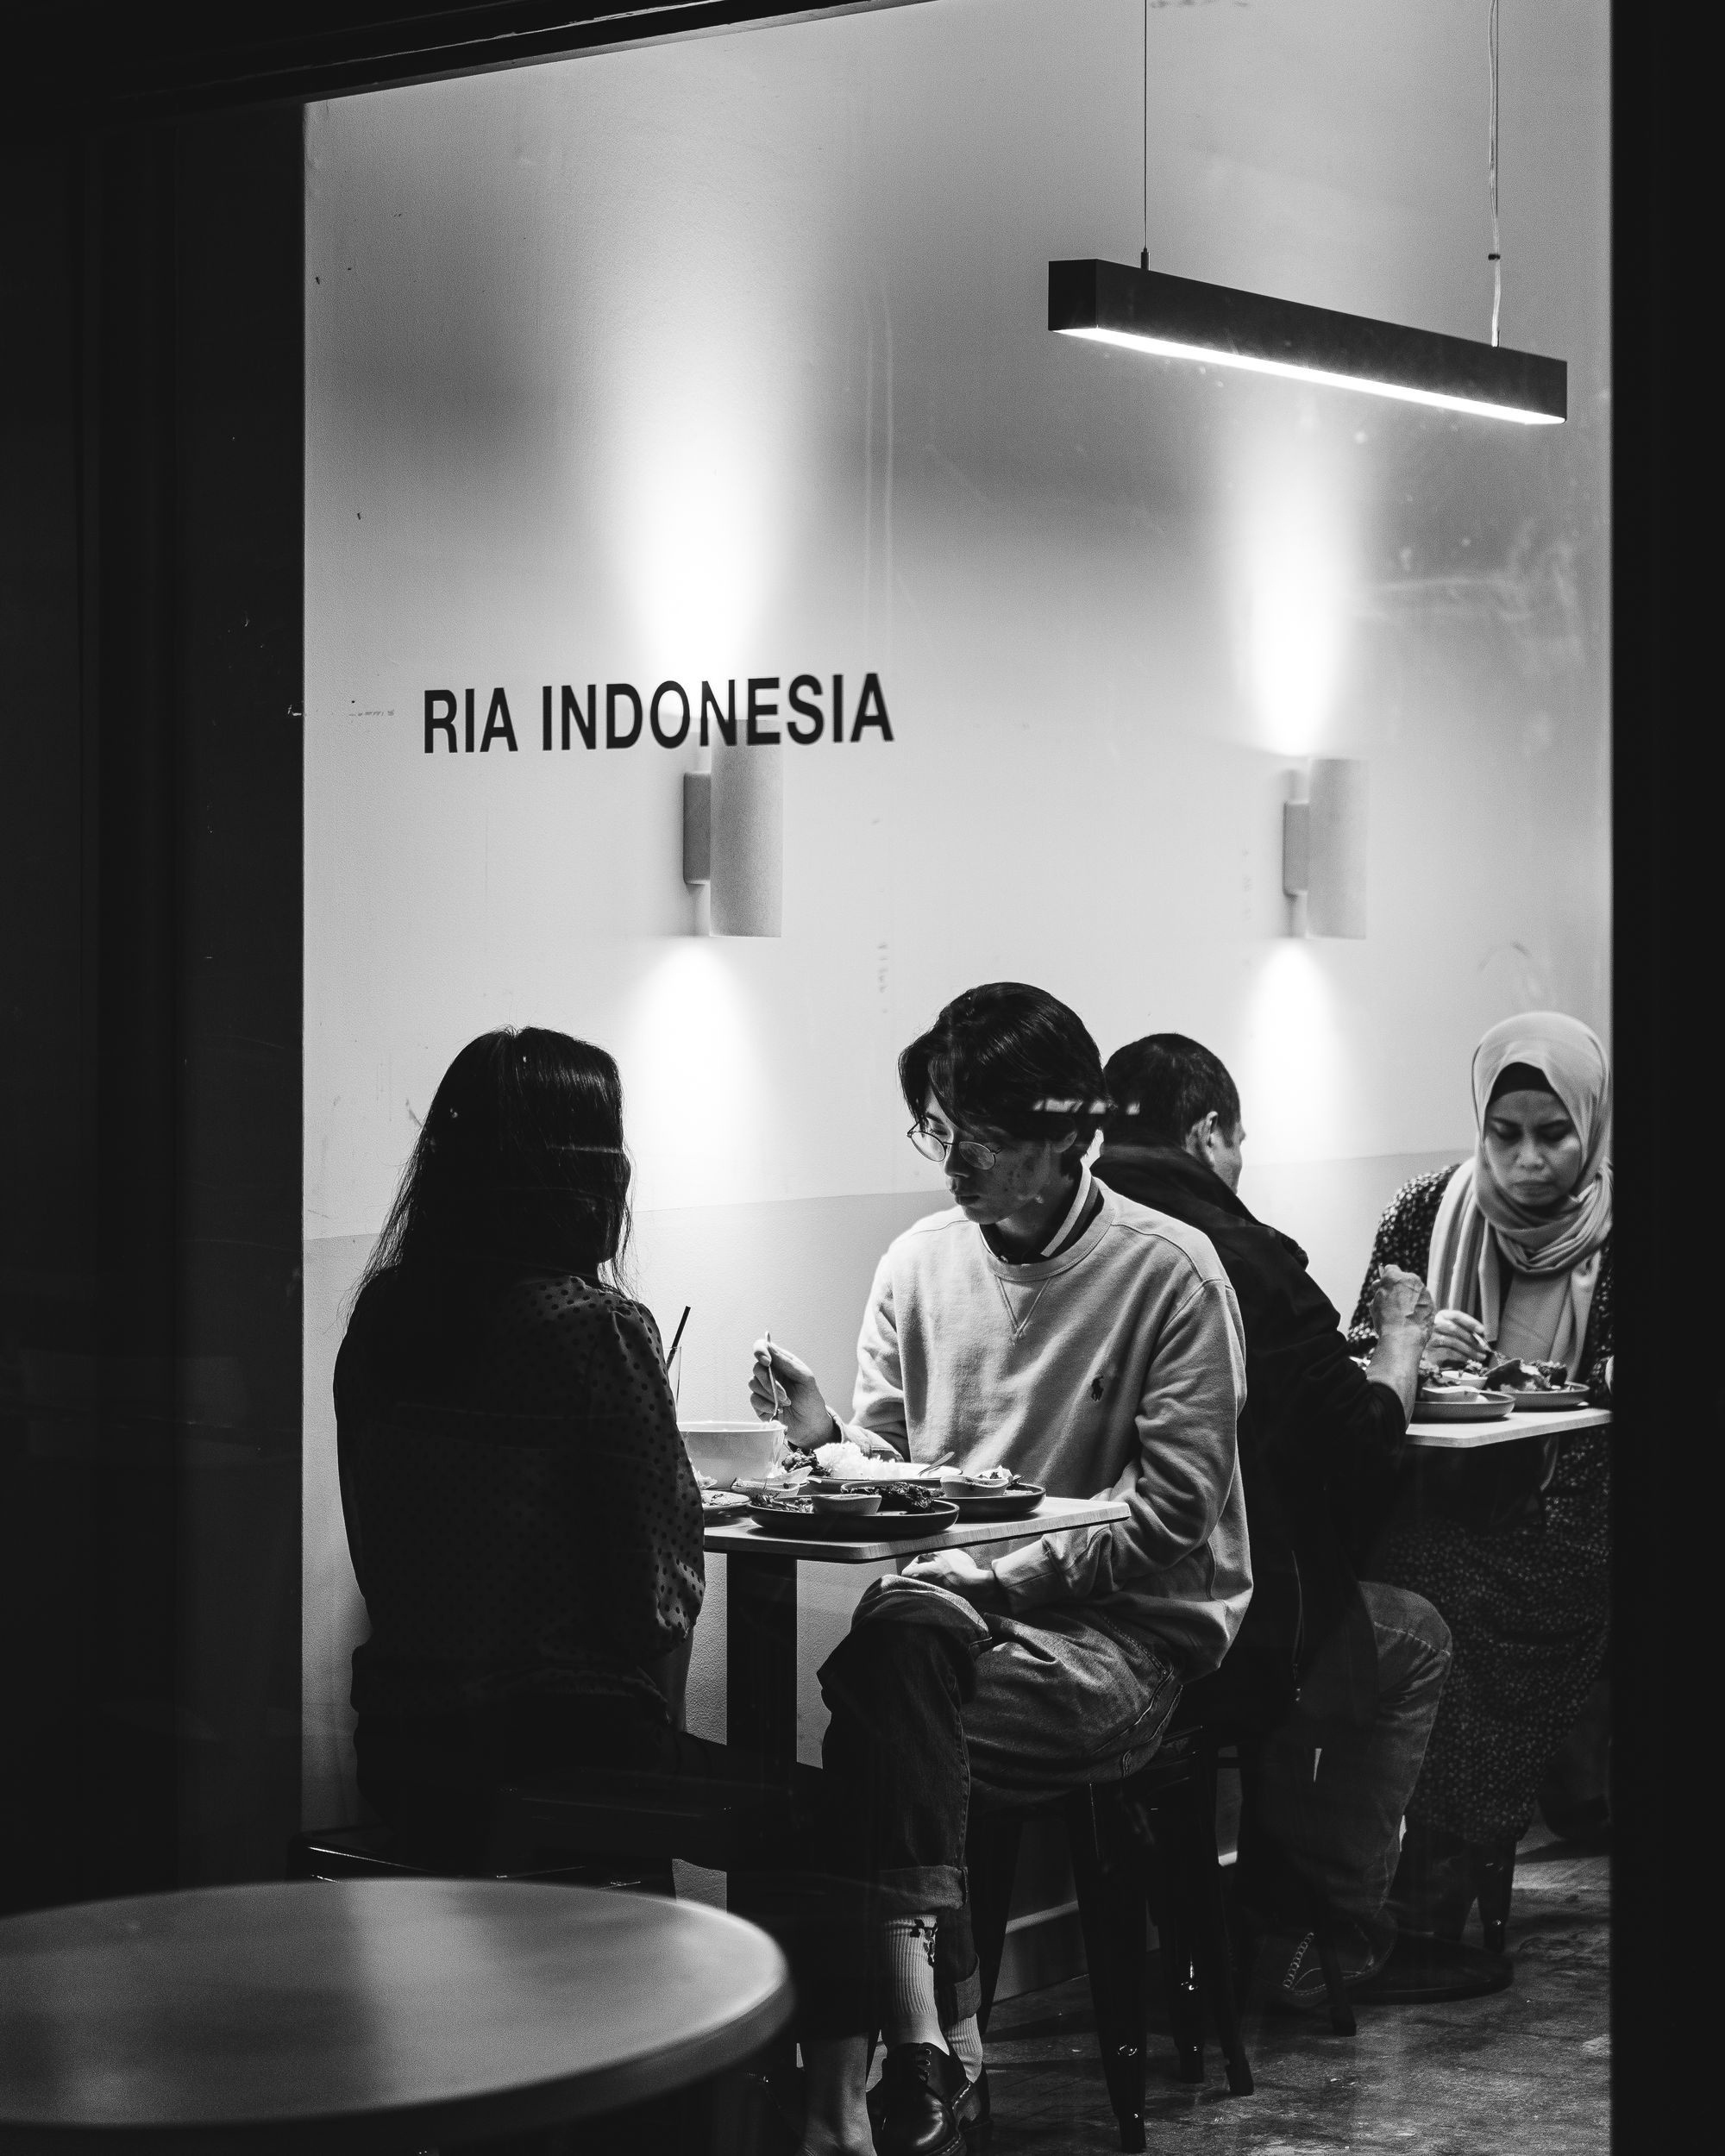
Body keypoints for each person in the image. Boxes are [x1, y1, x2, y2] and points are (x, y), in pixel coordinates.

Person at [750, 985, 1251, 2156]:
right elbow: (904, 1483)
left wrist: (991, 1583)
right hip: (943, 1634)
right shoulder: (919, 1264)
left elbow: (1170, 1519)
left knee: (867, 1710)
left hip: (1124, 1642)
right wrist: (831, 1443)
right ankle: (925, 2050)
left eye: (983, 1137)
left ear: (1070, 1136)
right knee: (890, 1684)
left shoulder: (1170, 1274)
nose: (955, 1163)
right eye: (939, 1129)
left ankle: (909, 2045)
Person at [335, 1026, 862, 2049]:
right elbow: (654, 1598)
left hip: (404, 1747)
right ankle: (816, 2121)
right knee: (841, 1816)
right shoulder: (592, 1327)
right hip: (561, 1754)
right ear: (590, 1174)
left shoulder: (385, 1316)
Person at [1095, 1033, 1452, 2003]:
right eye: (1238, 1138)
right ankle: (1325, 1931)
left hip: (1081, 1598)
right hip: (1221, 1622)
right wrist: (1401, 1344)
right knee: (1410, 1633)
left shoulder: (1072, 1238)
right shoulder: (1237, 1255)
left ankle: (1257, 1911)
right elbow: (1360, 1444)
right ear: (1208, 1129)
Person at [1346, 1011, 1614, 1936]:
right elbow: (1351, 1348)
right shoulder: (1425, 1210)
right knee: (1368, 1583)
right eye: (1504, 1135)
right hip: (1433, 1493)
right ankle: (1355, 1885)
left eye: (1553, 1133)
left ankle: (1434, 1887)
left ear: (1592, 1125)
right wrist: (1407, 1345)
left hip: (1571, 1512)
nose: (1526, 1160)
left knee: (1444, 1594)